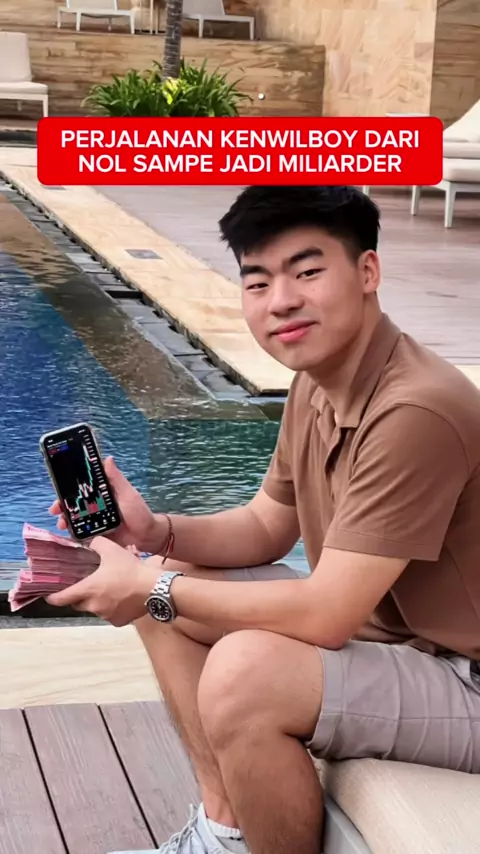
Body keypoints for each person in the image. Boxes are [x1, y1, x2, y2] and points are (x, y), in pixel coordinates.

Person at [47, 185, 480, 854]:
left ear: (367, 272)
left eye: (307, 272)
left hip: (465, 677)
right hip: (404, 646)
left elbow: (326, 614)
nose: (280, 301)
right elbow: (266, 526)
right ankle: (225, 832)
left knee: (242, 668)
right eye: (258, 282)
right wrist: (153, 533)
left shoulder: (415, 409)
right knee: (174, 572)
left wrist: (147, 588)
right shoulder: (319, 382)